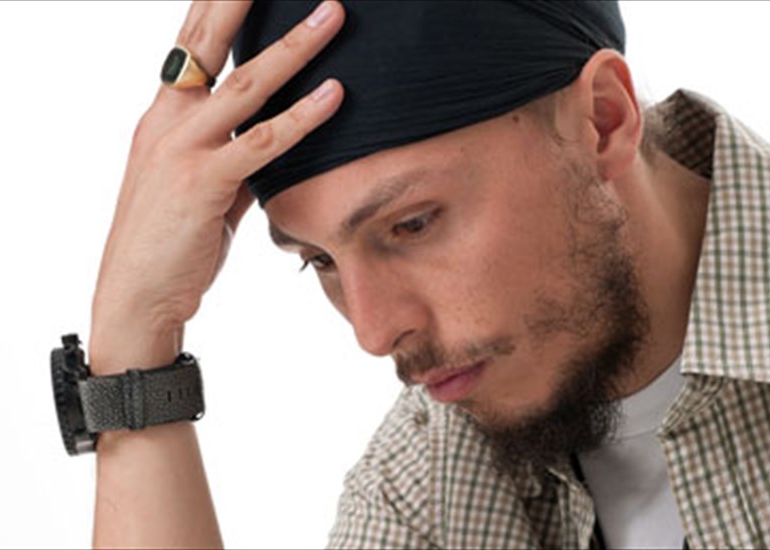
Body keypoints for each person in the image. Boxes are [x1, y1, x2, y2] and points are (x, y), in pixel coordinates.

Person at [84, 1, 770, 548]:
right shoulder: (428, 474)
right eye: (320, 260)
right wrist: (135, 340)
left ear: (603, 119)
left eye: (411, 225)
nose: (373, 332)